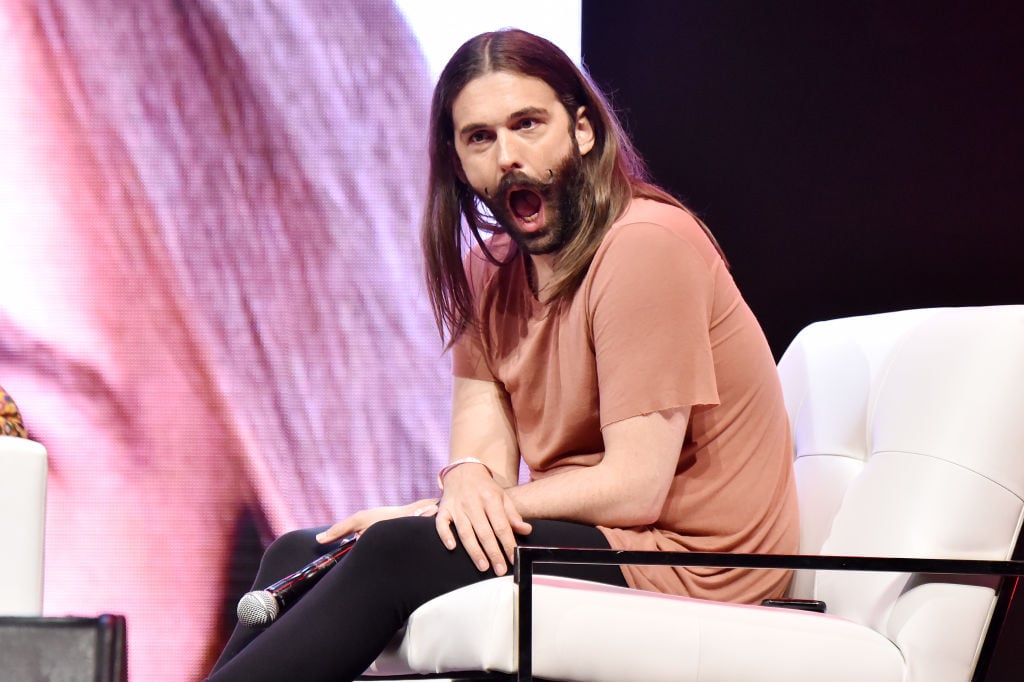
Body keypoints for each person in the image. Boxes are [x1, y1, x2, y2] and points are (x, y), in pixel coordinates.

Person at [208, 28, 799, 681]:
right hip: (596, 531)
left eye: (528, 125)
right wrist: (462, 482)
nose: (509, 155)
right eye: (481, 138)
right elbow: (481, 464)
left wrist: (434, 509)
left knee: (394, 549)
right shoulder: (485, 276)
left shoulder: (645, 247)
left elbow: (637, 487)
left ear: (582, 131)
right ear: (458, 161)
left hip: (693, 556)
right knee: (299, 550)